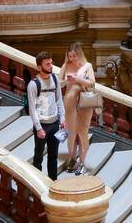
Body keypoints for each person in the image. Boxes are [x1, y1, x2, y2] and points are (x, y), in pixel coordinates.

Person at [28, 52, 66, 180]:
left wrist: (62, 118)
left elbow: (59, 100)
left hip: (55, 123)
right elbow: (32, 108)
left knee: (53, 156)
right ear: (39, 67)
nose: (51, 66)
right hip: (42, 125)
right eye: (47, 64)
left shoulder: (55, 79)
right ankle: (37, 182)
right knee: (38, 156)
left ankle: (53, 182)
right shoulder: (33, 84)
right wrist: (38, 128)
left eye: (51, 63)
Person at [60, 42, 96, 176]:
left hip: (84, 101)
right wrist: (66, 81)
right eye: (70, 56)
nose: (72, 58)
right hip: (69, 101)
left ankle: (82, 162)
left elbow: (92, 84)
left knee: (82, 132)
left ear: (79, 54)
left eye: (74, 55)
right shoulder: (66, 65)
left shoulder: (87, 66)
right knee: (71, 133)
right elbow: (59, 84)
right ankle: (72, 159)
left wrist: (78, 79)